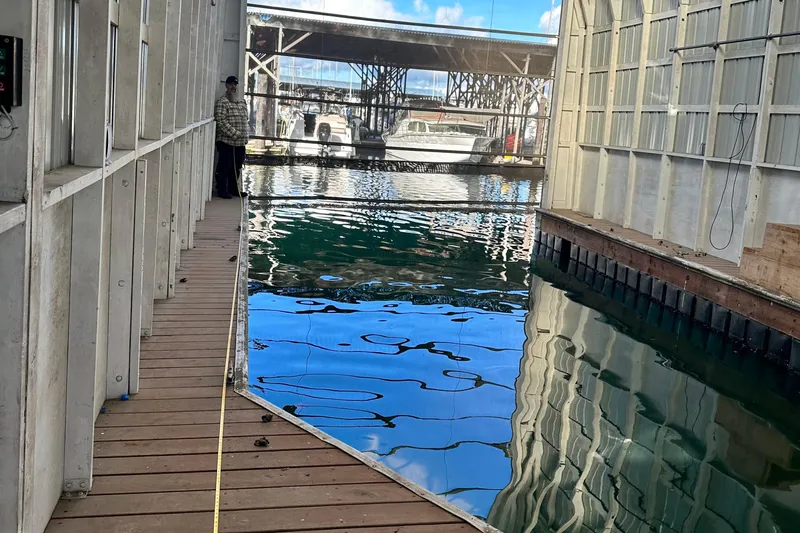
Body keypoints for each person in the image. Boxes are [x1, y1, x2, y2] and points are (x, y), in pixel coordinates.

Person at [214, 75, 249, 199]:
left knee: (237, 167)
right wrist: (235, 134)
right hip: (226, 141)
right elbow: (220, 120)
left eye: (235, 84)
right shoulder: (222, 102)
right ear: (226, 86)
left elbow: (245, 119)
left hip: (240, 143)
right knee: (224, 166)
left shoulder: (242, 101)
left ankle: (234, 190)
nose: (233, 86)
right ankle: (222, 190)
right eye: (230, 84)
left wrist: (244, 137)